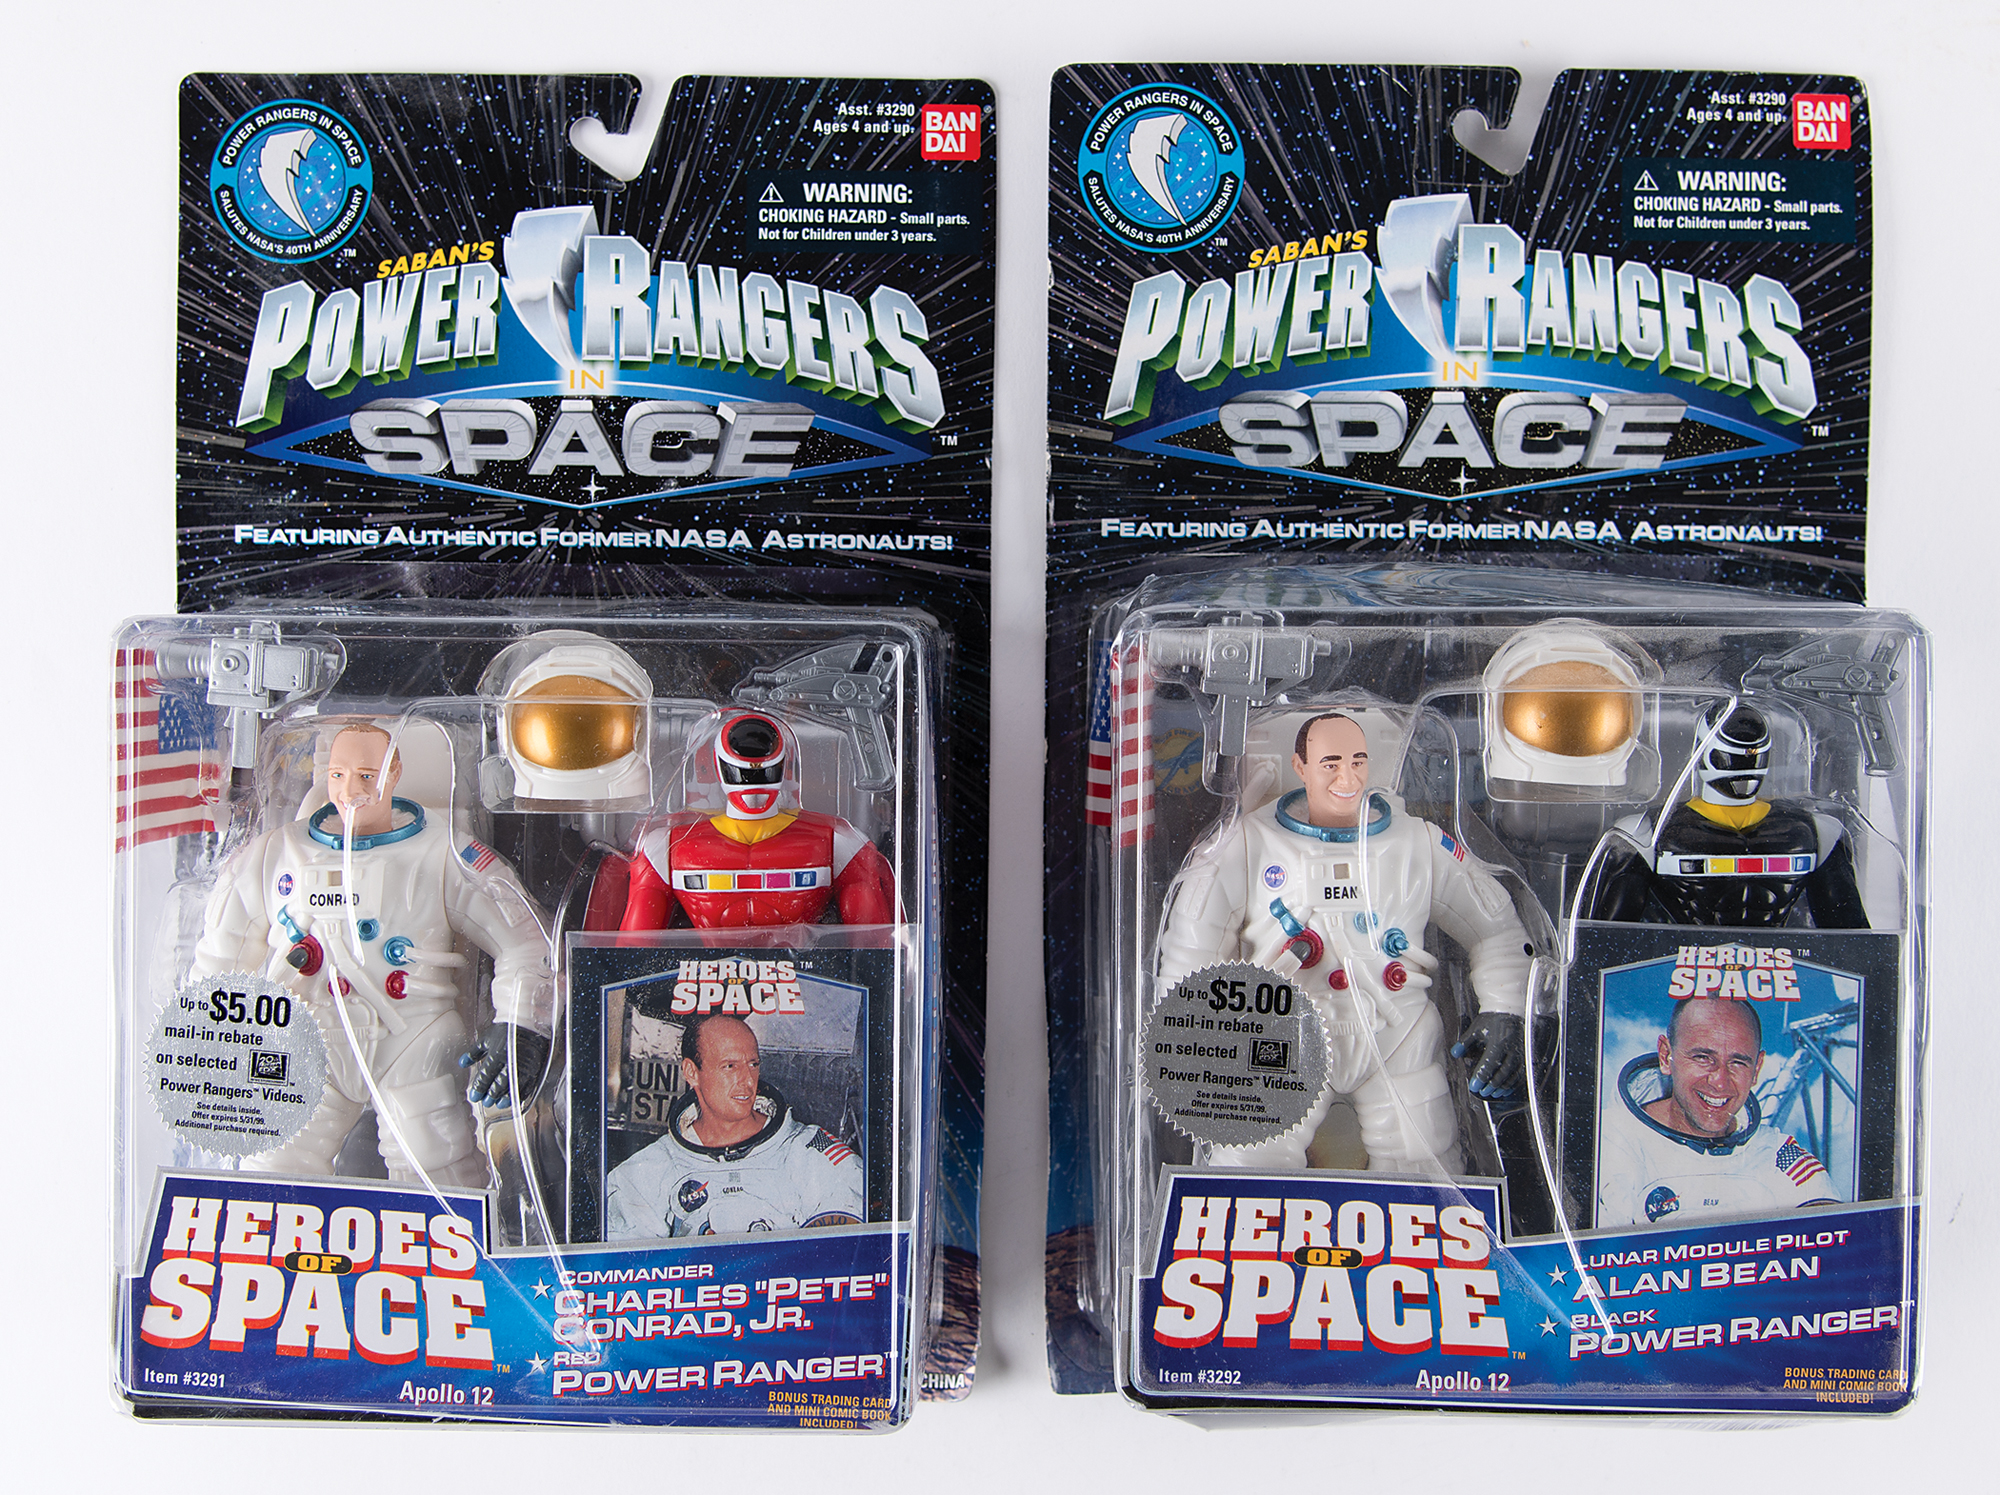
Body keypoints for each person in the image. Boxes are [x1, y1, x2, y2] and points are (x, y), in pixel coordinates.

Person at [1161, 712, 1530, 1173]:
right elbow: (1189, 955)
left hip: (1397, 1035)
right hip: (1281, 1037)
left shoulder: (1417, 844)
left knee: (1424, 1169)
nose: (1347, 778)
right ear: (1300, 766)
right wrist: (1194, 1044)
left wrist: (1506, 1010)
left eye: (1358, 762)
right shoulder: (1245, 846)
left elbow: (1497, 929)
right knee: (1250, 1171)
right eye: (1331, 764)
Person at [191, 722, 551, 1186]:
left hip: (412, 1036)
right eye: (338, 776)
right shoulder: (274, 854)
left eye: (366, 776)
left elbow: (525, 936)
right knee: (273, 1175)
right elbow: (219, 957)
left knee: (437, 1172)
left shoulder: (444, 852)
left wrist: (521, 1024)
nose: (351, 791)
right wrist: (211, 1040)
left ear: (393, 773)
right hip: (305, 1035)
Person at [1585, 702, 1868, 928]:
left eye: (1752, 758)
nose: (1743, 769)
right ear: (1704, 753)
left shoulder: (1818, 831)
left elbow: (1851, 935)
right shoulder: (1644, 833)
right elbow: (1606, 935)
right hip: (1680, 968)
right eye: (1733, 757)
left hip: (1783, 970)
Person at [615, 711, 896, 931]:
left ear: (783, 769)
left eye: (765, 775)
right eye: (741, 775)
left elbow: (876, 944)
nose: (753, 789)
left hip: (805, 979)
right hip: (700, 981)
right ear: (718, 769)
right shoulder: (664, 846)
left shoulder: (839, 844)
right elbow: (634, 945)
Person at [604, 1015, 863, 1239]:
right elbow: (627, 1272)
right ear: (692, 1073)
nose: (747, 1080)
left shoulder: (815, 1155)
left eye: (753, 1064)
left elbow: (849, 1261)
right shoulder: (643, 1175)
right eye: (730, 1066)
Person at [1598, 996, 1838, 1227]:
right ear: (1666, 1055)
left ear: (1756, 1070)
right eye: (1703, 1057)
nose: (1720, 1082)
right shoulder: (1607, 1144)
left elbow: (1835, 1237)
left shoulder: (1779, 1156)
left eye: (1738, 1063)